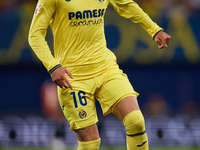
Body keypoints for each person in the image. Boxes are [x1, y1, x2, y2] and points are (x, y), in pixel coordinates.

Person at [28, 0, 171, 149]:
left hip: (105, 69)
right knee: (90, 145)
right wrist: (53, 66)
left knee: (136, 121)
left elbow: (126, 5)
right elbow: (35, 34)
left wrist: (154, 29)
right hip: (73, 77)